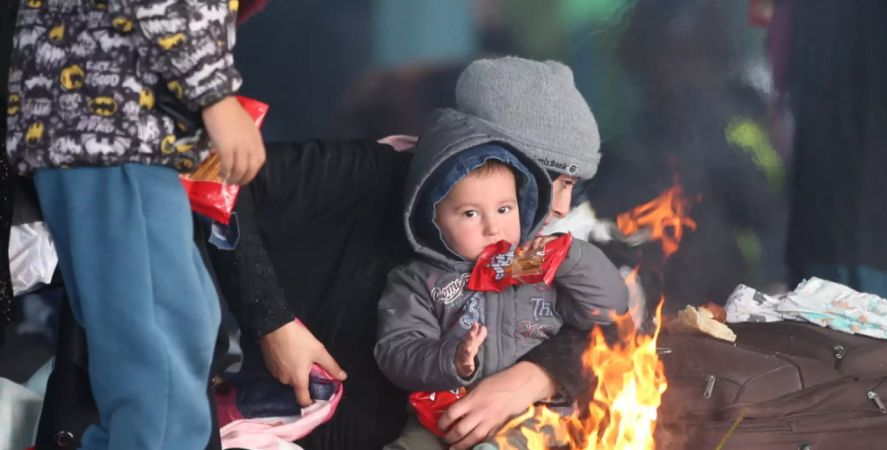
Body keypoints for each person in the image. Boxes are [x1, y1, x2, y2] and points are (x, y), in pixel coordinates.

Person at [209, 56, 609, 450]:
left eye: (577, 186)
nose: (562, 206)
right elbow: (216, 172)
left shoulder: (530, 242)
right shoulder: (364, 175)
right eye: (556, 180)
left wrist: (535, 376)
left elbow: (616, 316)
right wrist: (272, 322)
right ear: (494, 154)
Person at [4, 0, 265, 448]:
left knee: (180, 332)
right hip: (114, 130)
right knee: (159, 355)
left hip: (109, 129)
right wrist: (215, 95)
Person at [374, 119, 628, 449]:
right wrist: (452, 358)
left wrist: (567, 258)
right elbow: (395, 351)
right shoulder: (418, 280)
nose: (493, 227)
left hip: (536, 416)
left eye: (504, 209)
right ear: (433, 219)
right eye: (470, 214)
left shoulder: (535, 264)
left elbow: (610, 309)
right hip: (443, 415)